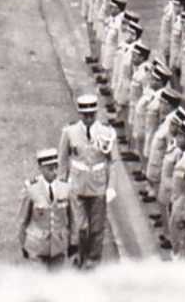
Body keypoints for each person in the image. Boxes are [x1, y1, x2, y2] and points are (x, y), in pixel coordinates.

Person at [57, 94, 118, 269]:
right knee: (81, 227)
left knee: (97, 227)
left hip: (98, 186)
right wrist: (62, 182)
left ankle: (93, 260)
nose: (89, 118)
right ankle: (81, 256)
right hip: (77, 184)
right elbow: (63, 157)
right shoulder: (69, 132)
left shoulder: (106, 132)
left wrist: (111, 186)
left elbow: (113, 161)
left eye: (92, 114)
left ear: (96, 113)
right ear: (80, 114)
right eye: (85, 115)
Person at [17, 148, 72, 269]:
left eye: (56, 168)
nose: (55, 172)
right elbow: (22, 220)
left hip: (58, 246)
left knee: (56, 284)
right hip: (37, 247)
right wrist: (23, 244)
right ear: (41, 169)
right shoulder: (31, 189)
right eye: (50, 169)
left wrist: (73, 242)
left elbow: (73, 219)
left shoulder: (66, 187)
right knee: (39, 284)